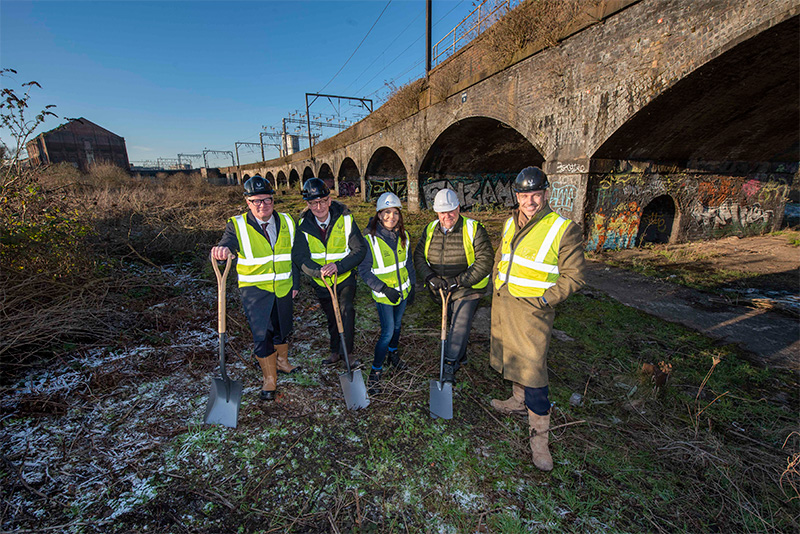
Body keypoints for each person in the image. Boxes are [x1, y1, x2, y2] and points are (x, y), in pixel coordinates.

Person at [490, 166, 586, 471]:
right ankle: (517, 399)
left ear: (546, 194)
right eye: (523, 195)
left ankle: (539, 439)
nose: (529, 201)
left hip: (532, 312)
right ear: (516, 196)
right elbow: (501, 258)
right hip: (504, 305)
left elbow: (575, 276)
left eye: (535, 194)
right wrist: (496, 283)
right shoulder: (509, 223)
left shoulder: (562, 228)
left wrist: (544, 299)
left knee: (534, 371)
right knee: (512, 356)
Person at [211, 175, 300, 401]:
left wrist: (295, 283)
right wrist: (223, 250)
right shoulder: (237, 225)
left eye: (267, 200)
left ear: (273, 200)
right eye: (256, 201)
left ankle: (282, 362)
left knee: (283, 327)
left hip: (283, 287)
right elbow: (228, 243)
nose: (263, 205)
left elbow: (295, 256)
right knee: (262, 334)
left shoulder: (288, 221)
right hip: (255, 291)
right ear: (248, 202)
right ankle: (270, 378)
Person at [413, 188, 494, 384]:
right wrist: (430, 277)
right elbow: (418, 256)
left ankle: (449, 364)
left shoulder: (473, 228)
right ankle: (460, 354)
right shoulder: (430, 229)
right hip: (441, 289)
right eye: (443, 212)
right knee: (451, 322)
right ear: (436, 212)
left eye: (451, 211)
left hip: (468, 287)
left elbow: (485, 260)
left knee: (459, 323)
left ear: (458, 208)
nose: (447, 216)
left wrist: (459, 281)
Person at [292, 177, 366, 368]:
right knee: (332, 316)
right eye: (313, 203)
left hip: (344, 277)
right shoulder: (302, 226)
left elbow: (359, 250)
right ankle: (335, 351)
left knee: (346, 310)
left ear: (329, 200)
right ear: (308, 204)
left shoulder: (346, 219)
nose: (319, 207)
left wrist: (339, 266)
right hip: (322, 282)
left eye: (323, 201)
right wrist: (317, 272)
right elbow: (300, 257)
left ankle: (347, 353)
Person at [358, 192, 416, 395]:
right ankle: (375, 371)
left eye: (395, 213)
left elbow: (408, 263)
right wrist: (384, 289)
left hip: (403, 293)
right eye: (386, 212)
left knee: (398, 326)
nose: (392, 217)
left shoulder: (404, 236)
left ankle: (393, 355)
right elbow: (364, 271)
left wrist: (413, 286)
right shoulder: (369, 239)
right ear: (379, 214)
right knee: (388, 332)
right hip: (384, 296)